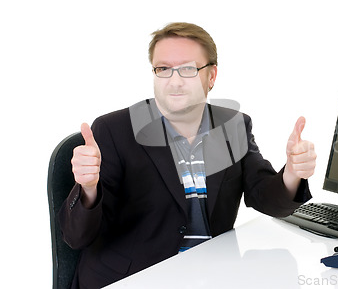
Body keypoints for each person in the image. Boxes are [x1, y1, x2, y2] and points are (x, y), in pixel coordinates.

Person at [59, 22, 316, 288]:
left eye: (188, 69)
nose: (175, 81)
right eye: (163, 69)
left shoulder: (234, 126)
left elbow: (266, 197)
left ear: (211, 76)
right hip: (133, 278)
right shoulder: (114, 130)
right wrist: (88, 189)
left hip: (210, 275)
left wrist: (292, 174)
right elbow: (77, 237)